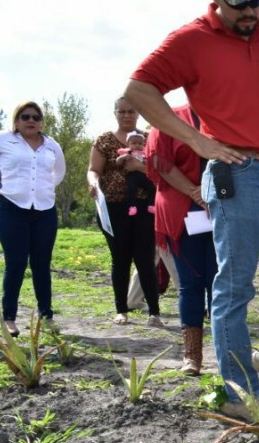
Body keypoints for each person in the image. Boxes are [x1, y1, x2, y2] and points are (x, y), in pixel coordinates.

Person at [125, 0, 259, 418]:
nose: (250, 13)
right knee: (235, 285)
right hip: (237, 174)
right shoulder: (191, 39)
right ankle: (239, 395)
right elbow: (139, 90)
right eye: (240, 6)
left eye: (257, 3)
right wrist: (196, 141)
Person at [145, 104, 216, 375]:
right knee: (191, 282)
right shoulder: (169, 117)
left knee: (220, 281)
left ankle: (228, 352)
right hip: (181, 208)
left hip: (223, 208)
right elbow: (161, 163)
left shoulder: (225, 113)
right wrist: (194, 191)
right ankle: (192, 356)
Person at [87, 97, 163, 327]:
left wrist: (139, 166)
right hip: (113, 207)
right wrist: (93, 184)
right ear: (115, 113)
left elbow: (161, 170)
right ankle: (121, 309)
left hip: (144, 206)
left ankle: (154, 312)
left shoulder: (149, 139)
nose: (126, 115)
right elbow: (93, 170)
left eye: (131, 111)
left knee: (145, 258)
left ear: (137, 113)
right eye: (122, 111)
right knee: (119, 259)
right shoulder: (105, 140)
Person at [0, 101, 65, 337]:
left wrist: (40, 190)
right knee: (16, 263)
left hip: (44, 210)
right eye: (25, 116)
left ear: (41, 121)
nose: (31, 120)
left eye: (36, 116)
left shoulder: (51, 145)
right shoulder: (1, 140)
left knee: (42, 263)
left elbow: (59, 172)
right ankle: (9, 318)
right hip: (11, 207)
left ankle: (46, 314)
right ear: (16, 119)